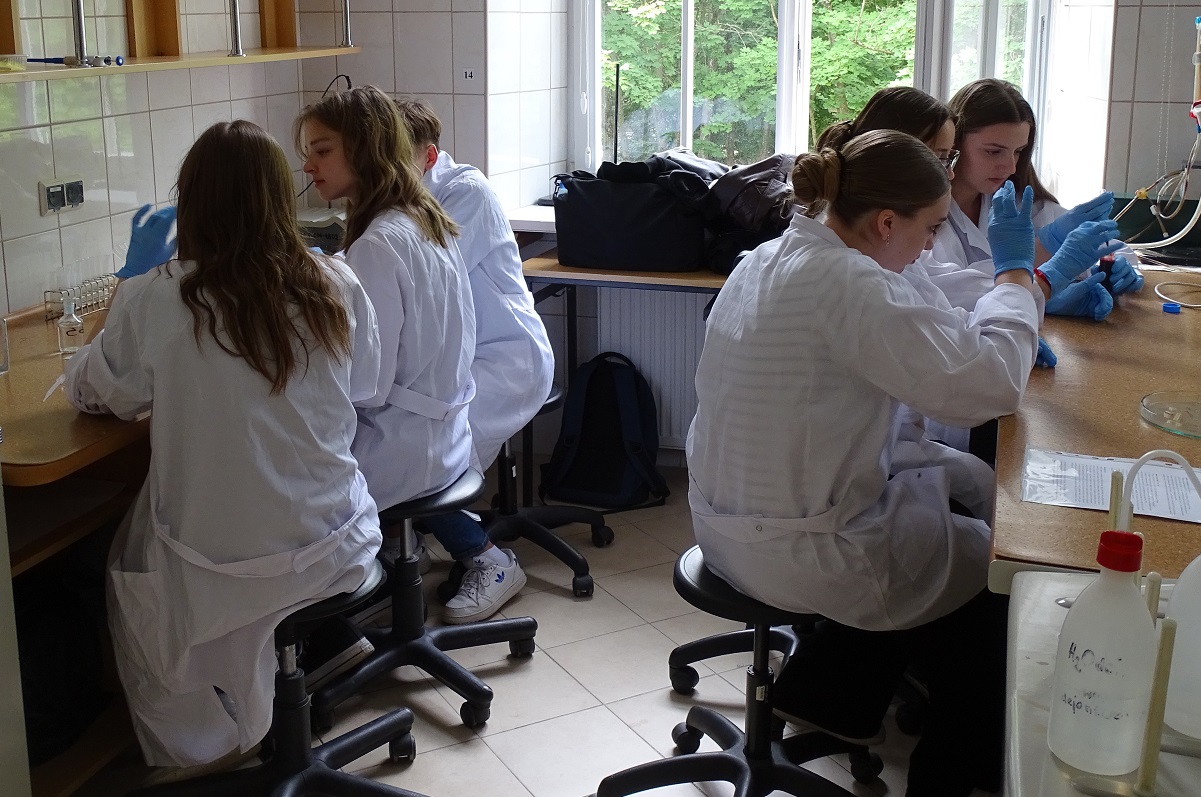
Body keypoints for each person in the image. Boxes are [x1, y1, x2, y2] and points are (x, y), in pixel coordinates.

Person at [687, 129, 1047, 796]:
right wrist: (1016, 278)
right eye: (930, 229)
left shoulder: (769, 257)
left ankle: (835, 693)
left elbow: (919, 316)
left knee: (956, 501)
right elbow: (991, 385)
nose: (930, 246)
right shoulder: (850, 285)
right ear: (885, 222)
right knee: (1003, 577)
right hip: (797, 549)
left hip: (722, 527)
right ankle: (949, 777)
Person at [63, 120, 383, 769]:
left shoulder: (160, 297)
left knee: (125, 568)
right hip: (335, 543)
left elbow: (94, 392)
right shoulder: (335, 283)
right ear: (279, 199)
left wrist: (128, 280)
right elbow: (366, 385)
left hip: (220, 571)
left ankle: (205, 751)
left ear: (192, 203)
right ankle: (283, 680)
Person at [295, 86, 527, 625]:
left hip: (404, 446)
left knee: (286, 482)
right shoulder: (424, 218)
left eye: (322, 150)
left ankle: (330, 631)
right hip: (437, 434)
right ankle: (386, 569)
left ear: (364, 150)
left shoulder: (377, 245)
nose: (307, 166)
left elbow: (367, 386)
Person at [393, 98, 553, 606]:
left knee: (426, 456)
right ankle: (409, 545)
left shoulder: (466, 192)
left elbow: (426, 277)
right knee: (396, 442)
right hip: (453, 363)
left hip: (505, 361)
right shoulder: (401, 199)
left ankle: (489, 560)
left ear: (429, 156)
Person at [934, 78, 1142, 324]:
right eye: (993, 151)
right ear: (953, 144)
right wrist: (1048, 284)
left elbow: (1109, 247)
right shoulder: (927, 218)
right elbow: (948, 292)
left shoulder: (1016, 199)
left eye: (1018, 151)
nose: (1010, 167)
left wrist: (1117, 268)